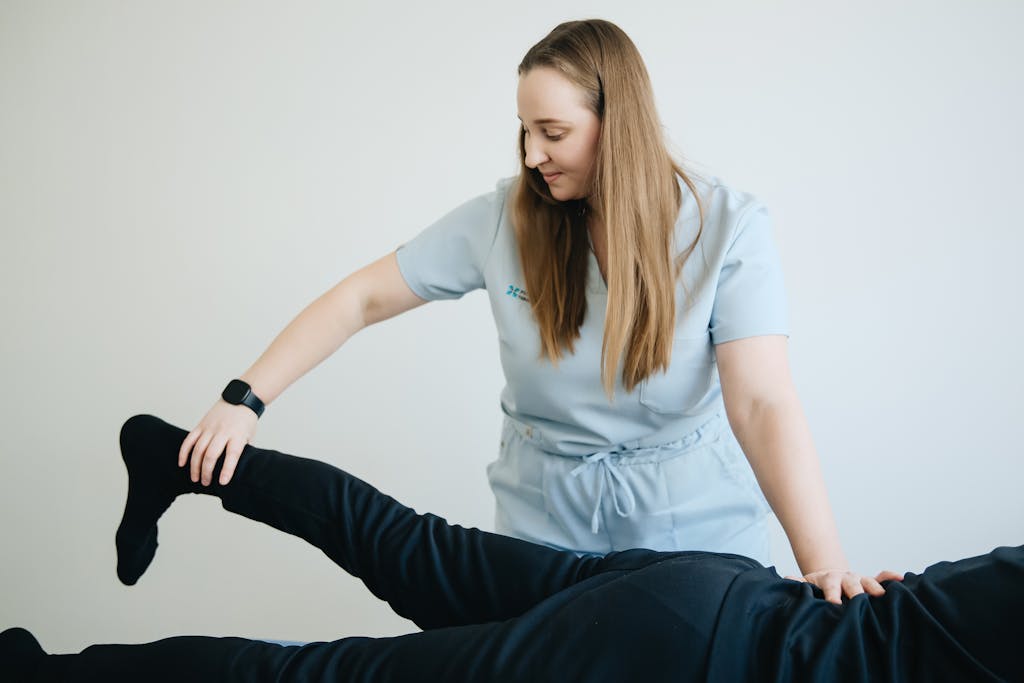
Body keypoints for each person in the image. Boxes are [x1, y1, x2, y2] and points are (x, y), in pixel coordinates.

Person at [178, 18, 868, 601]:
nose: (533, 153)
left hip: (693, 535)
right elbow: (359, 298)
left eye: (554, 131)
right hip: (544, 535)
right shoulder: (506, 219)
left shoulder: (726, 228)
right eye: (524, 130)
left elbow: (762, 403)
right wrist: (245, 398)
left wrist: (825, 566)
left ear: (615, 125)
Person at [4, 414, 1020, 682]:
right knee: (319, 677)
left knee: (408, 548)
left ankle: (177, 459)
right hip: (684, 651)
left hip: (709, 595)